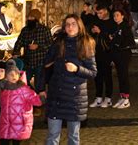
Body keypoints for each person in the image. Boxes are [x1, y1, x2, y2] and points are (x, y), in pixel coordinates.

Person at [38, 14, 97, 145]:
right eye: (67, 24)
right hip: (56, 96)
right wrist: (41, 88)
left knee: (73, 137)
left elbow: (93, 72)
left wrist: (77, 69)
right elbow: (46, 65)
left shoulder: (86, 44)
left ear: (79, 26)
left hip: (74, 98)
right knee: (52, 136)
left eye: (73, 24)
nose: (70, 27)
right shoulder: (58, 42)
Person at [0, 60, 42, 145]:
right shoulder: (3, 89)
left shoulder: (24, 89)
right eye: (11, 74)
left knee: (16, 142)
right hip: (6, 122)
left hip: (19, 122)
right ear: (6, 77)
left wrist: (41, 98)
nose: (14, 76)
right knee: (4, 141)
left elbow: (35, 100)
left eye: (16, 73)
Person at [12, 9, 52, 93]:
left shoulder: (45, 30)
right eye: (28, 17)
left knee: (40, 85)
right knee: (23, 82)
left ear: (36, 18)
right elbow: (19, 42)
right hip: (28, 61)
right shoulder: (25, 30)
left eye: (32, 17)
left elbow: (50, 45)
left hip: (40, 61)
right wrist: (16, 52)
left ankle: (39, 102)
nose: (29, 19)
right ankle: (31, 96)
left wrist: (38, 46)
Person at [89, 4, 116, 108]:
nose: (98, 15)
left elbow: (111, 38)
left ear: (105, 11)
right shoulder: (97, 21)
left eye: (100, 13)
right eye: (97, 13)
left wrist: (100, 32)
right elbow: (91, 33)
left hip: (107, 52)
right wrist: (92, 31)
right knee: (97, 75)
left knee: (107, 75)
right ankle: (98, 97)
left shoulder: (112, 23)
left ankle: (108, 98)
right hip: (97, 52)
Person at [111, 9, 136, 109]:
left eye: (117, 15)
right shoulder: (117, 27)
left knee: (124, 75)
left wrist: (116, 41)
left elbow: (129, 41)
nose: (115, 17)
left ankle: (126, 99)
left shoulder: (125, 27)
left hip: (124, 54)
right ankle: (122, 97)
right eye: (114, 16)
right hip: (118, 54)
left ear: (122, 16)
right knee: (120, 76)